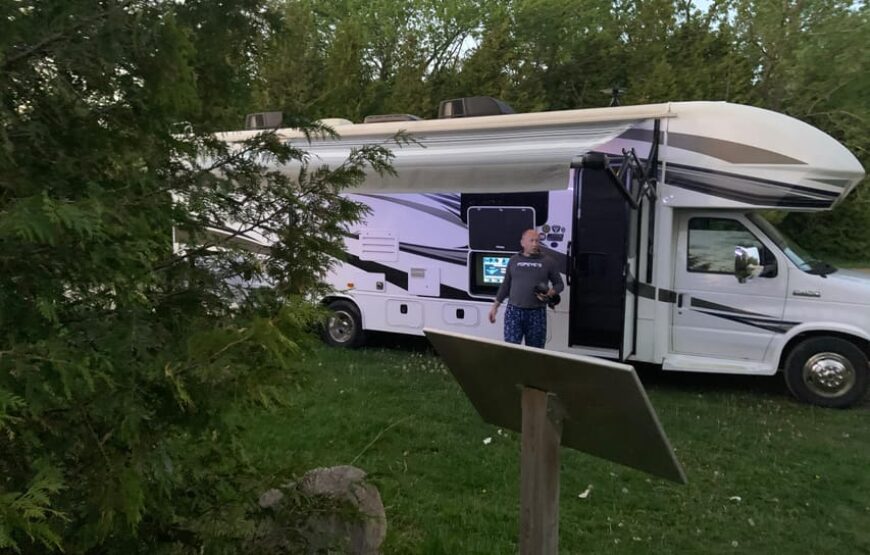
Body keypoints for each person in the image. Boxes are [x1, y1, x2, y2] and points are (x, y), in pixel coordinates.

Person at [488, 229, 564, 348]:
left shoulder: (549, 262)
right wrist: (495, 307)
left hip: (536, 313)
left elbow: (559, 284)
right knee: (511, 350)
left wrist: (551, 292)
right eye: (531, 241)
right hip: (513, 312)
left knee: (535, 352)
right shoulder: (513, 260)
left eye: (537, 241)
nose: (535, 244)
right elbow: (505, 285)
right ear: (522, 243)